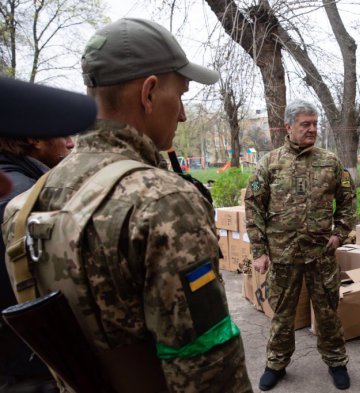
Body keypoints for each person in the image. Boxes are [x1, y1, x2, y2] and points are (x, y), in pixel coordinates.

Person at [3, 18, 251, 393]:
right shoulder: (164, 201)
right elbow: (208, 369)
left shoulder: (26, 203)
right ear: (149, 93)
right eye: (180, 95)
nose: (182, 114)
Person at [245, 99, 355, 391]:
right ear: (288, 127)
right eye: (305, 124)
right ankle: (276, 363)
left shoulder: (330, 162)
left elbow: (348, 202)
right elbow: (253, 207)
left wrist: (339, 233)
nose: (312, 129)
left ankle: (336, 361)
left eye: (315, 124)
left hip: (321, 253)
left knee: (328, 311)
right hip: (283, 254)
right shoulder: (269, 163)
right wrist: (259, 250)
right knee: (282, 313)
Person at [0, 135, 74, 393]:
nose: (71, 143)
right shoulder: (26, 199)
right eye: (63, 134)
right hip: (33, 367)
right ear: (35, 139)